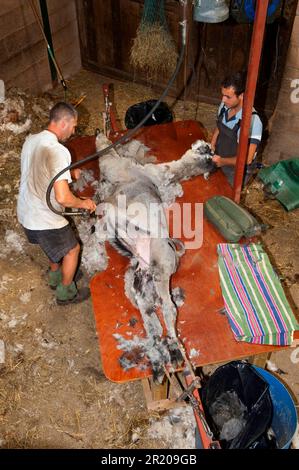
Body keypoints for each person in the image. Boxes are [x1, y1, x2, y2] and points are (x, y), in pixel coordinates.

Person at [17, 102, 97, 305]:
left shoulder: (31, 140)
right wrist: (83, 203)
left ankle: (55, 276)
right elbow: (62, 198)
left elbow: (40, 168)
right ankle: (65, 293)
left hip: (26, 212)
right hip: (43, 217)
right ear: (64, 122)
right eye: (74, 126)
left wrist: (69, 173)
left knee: (52, 245)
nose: (73, 131)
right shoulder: (59, 151)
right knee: (73, 249)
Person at [210, 72, 263, 187]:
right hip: (220, 157)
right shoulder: (225, 106)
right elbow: (219, 126)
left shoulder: (252, 122)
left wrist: (222, 161)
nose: (223, 99)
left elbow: (247, 159)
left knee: (223, 196)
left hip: (236, 171)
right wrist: (212, 144)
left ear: (242, 96)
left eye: (228, 96)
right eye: (222, 95)